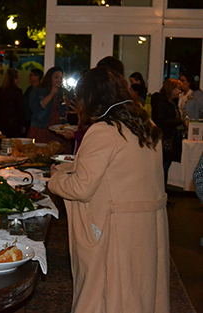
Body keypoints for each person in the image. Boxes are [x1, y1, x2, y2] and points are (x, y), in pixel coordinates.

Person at [49, 67, 169, 313]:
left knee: (108, 298)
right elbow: (118, 168)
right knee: (138, 296)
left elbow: (81, 187)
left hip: (115, 233)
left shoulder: (104, 130)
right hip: (146, 231)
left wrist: (54, 179)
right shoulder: (145, 126)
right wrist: (68, 168)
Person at [151, 78, 184, 187]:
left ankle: (163, 192)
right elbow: (161, 121)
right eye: (178, 89)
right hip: (164, 138)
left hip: (169, 138)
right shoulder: (162, 102)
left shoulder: (170, 102)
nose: (179, 91)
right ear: (171, 89)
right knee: (163, 168)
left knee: (165, 167)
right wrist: (180, 121)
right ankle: (161, 193)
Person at [28, 67, 70, 147]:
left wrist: (68, 105)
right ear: (50, 78)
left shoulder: (63, 92)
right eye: (56, 77)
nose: (59, 80)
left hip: (58, 129)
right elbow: (36, 107)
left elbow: (65, 110)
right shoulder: (39, 90)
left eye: (61, 78)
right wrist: (51, 94)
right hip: (42, 127)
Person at [0, 68, 25, 137]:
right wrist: (22, 124)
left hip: (1, 123)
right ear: (14, 79)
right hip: (14, 124)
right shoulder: (17, 92)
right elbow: (21, 109)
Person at [23, 68, 43, 135]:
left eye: (31, 75)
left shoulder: (41, 90)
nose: (29, 77)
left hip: (36, 119)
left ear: (37, 77)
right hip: (27, 118)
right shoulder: (29, 89)